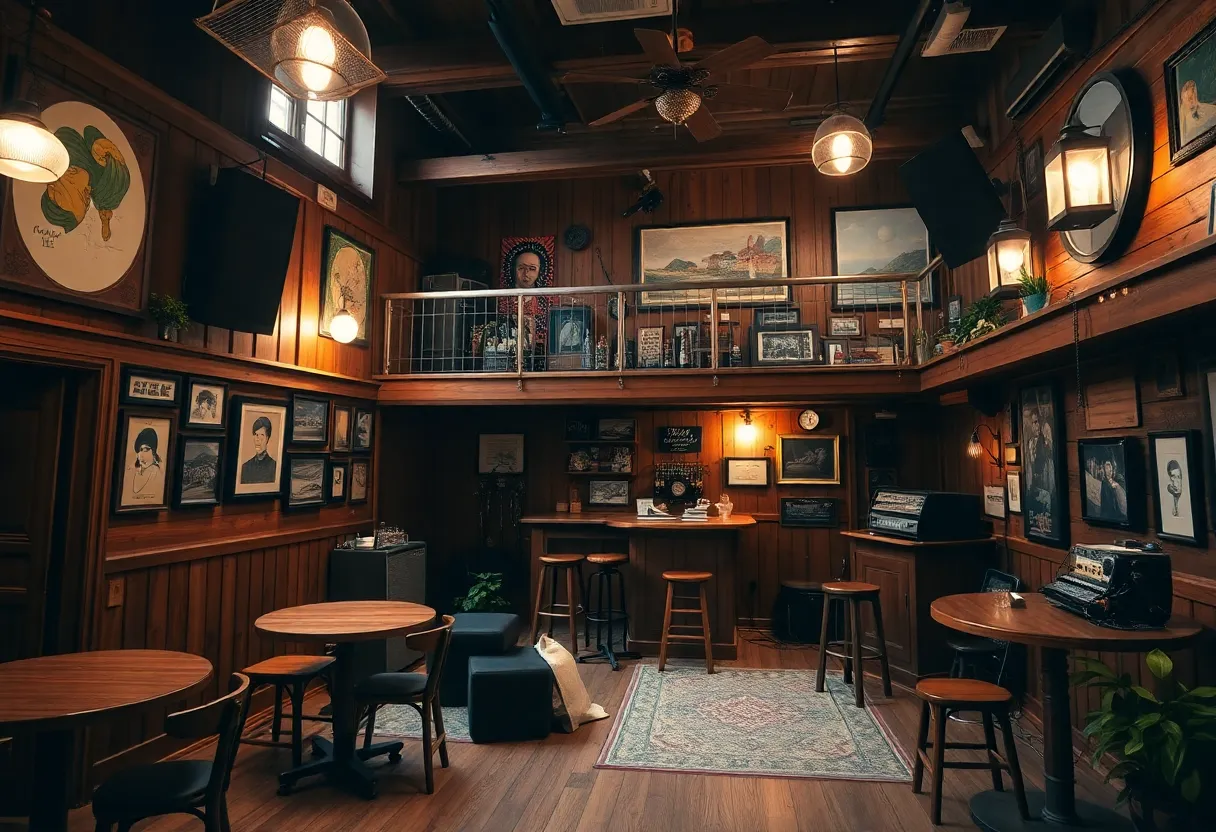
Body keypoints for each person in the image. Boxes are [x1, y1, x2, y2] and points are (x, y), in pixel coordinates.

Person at [128, 426, 163, 500]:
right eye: (139, 451)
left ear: (154, 451)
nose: (141, 456)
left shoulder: (157, 473)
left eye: (145, 450)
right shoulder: (132, 471)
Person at [240, 415, 277, 484]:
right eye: (256, 435)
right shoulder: (246, 467)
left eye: (262, 435)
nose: (258, 440)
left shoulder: (274, 467)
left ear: (267, 438)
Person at [1179, 79, 1216, 144]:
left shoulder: (1207, 109)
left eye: (1192, 97)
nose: (1191, 100)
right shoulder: (1182, 118)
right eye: (1188, 98)